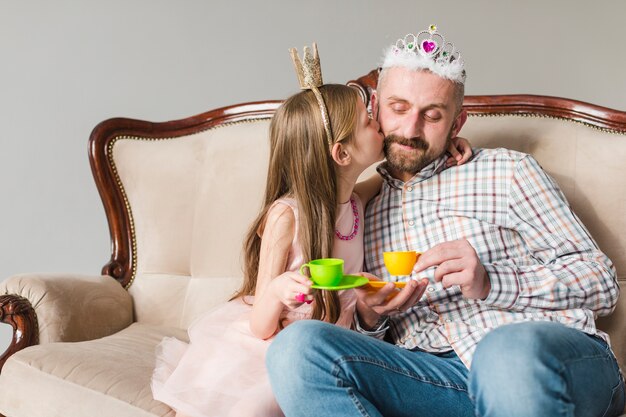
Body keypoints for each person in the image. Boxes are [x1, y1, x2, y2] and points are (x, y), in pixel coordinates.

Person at [266, 26, 625, 417]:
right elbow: (365, 339)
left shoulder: (507, 171)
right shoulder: (357, 208)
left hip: (542, 363)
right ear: (375, 113)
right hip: (434, 381)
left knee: (504, 353)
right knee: (297, 348)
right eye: (398, 109)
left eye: (432, 116)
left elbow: (601, 282)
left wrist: (491, 282)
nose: (410, 130)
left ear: (457, 124)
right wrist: (372, 317)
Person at [150, 43, 473, 417]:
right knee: (257, 407)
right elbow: (260, 325)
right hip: (276, 344)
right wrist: (277, 291)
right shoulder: (287, 216)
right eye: (370, 122)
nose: (383, 126)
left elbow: (399, 170)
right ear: (342, 154)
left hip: (336, 346)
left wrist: (445, 142)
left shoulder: (358, 200)